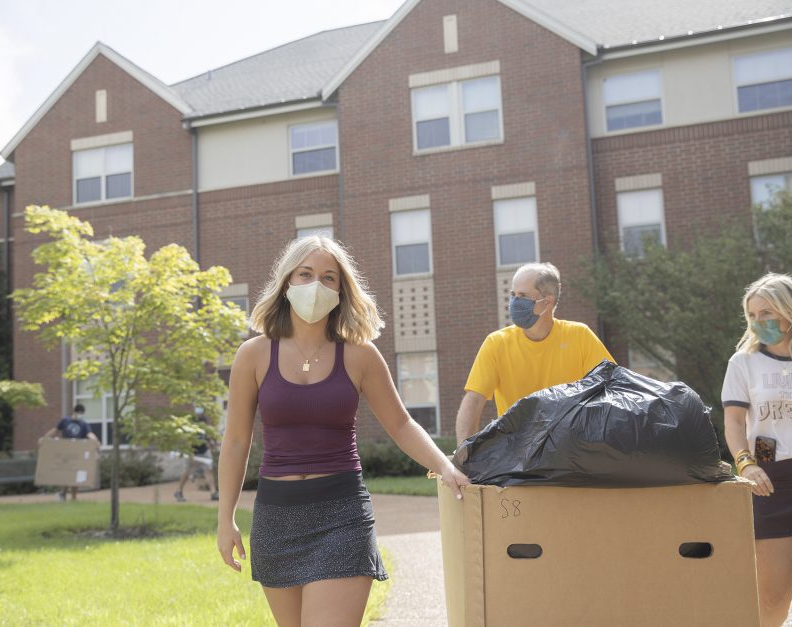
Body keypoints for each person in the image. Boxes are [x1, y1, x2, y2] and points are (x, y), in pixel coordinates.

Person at [216, 235, 469, 626]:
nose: (316, 284)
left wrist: (444, 463)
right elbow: (235, 442)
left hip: (342, 515)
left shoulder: (359, 354)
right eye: (306, 274)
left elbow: (400, 423)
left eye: (328, 278)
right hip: (275, 517)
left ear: (341, 290)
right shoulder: (252, 355)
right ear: (287, 284)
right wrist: (225, 518)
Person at [721, 273, 792, 627]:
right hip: (768, 480)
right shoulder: (743, 363)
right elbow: (734, 421)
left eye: (766, 313)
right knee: (774, 593)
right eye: (752, 316)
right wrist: (745, 465)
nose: (758, 322)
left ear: (790, 312)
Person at [455, 262, 614, 442]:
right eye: (513, 295)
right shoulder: (497, 343)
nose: (515, 302)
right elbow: (473, 401)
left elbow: (613, 387)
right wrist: (463, 458)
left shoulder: (579, 336)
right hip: (516, 453)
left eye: (523, 295)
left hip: (570, 449)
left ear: (547, 302)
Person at [39, 403, 100, 501]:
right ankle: (63, 494)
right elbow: (54, 430)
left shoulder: (83, 424)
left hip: (77, 453)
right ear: (75, 412)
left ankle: (74, 497)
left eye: (81, 414)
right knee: (65, 474)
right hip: (65, 452)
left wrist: (96, 441)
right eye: (79, 413)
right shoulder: (65, 421)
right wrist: (44, 439)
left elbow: (90, 434)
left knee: (75, 476)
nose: (80, 415)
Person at [175, 417, 218, 502]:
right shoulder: (191, 431)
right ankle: (178, 491)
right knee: (187, 472)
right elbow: (186, 441)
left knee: (208, 471)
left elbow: (208, 439)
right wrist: (189, 452)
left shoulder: (206, 430)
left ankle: (213, 493)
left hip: (204, 451)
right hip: (193, 453)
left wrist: (211, 443)